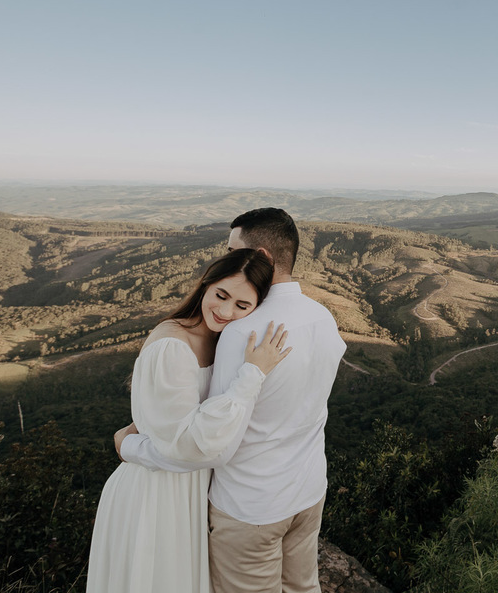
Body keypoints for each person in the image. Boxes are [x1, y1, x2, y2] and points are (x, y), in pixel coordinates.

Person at [120, 208, 347, 593]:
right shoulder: (323, 317)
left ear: (262, 257)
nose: (224, 257)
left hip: (251, 506)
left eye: (231, 249)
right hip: (308, 492)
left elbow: (214, 445)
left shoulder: (244, 333)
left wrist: (131, 446)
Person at [86, 248, 291, 593]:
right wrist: (253, 374)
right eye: (220, 295)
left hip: (190, 492)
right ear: (205, 286)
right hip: (154, 492)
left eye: (242, 306)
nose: (225, 311)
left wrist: (132, 441)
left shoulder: (224, 342)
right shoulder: (173, 344)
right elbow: (188, 445)